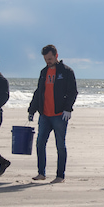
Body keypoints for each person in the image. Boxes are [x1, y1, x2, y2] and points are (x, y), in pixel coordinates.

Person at [28, 44, 78, 183]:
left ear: (56, 56)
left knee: (60, 145)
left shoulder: (67, 71)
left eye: (50, 58)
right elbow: (38, 92)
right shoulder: (43, 72)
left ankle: (60, 175)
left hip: (59, 115)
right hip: (44, 114)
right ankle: (41, 173)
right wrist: (32, 110)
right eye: (45, 59)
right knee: (40, 144)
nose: (48, 61)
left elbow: (73, 92)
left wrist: (68, 108)